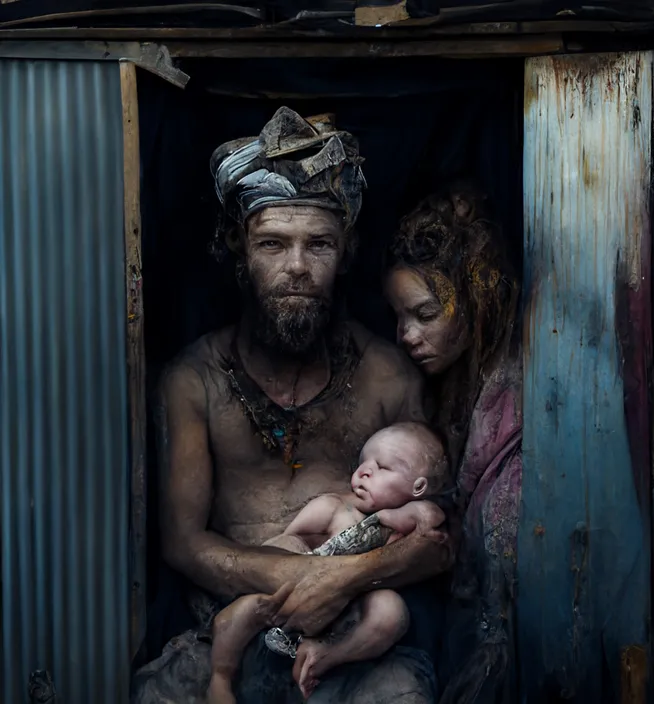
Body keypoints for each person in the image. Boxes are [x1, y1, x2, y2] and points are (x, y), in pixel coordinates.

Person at [131, 107, 452, 704]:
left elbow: (432, 538)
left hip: (354, 639)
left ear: (347, 252)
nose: (298, 267)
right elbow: (182, 541)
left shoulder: (389, 375)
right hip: (225, 630)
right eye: (273, 244)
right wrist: (310, 579)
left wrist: (348, 583)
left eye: (319, 244)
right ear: (239, 251)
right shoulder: (193, 380)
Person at [384, 180, 522, 704]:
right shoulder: (448, 387)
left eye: (423, 314)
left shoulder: (520, 394)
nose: (406, 335)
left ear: (476, 298)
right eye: (398, 316)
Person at [208, 422, 448, 704]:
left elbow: (430, 519)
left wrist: (386, 517)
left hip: (350, 609)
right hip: (295, 593)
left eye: (382, 467)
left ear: (418, 487)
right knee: (240, 614)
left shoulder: (402, 517)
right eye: (363, 462)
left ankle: (327, 657)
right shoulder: (336, 508)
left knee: (391, 612)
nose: (364, 471)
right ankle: (220, 677)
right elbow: (284, 544)